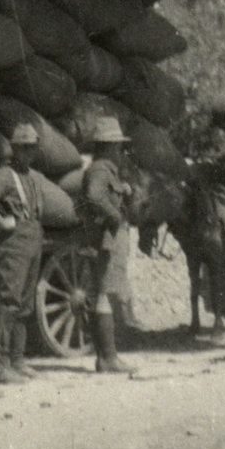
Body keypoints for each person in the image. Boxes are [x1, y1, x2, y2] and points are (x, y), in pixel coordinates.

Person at [0, 123, 47, 383]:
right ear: (15, 149)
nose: (28, 152)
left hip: (32, 240)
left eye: (32, 148)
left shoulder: (32, 176)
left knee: (25, 304)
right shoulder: (5, 175)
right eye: (23, 148)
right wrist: (1, 221)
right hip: (13, 244)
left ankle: (17, 360)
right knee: (9, 303)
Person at [78, 116, 135, 374]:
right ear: (110, 146)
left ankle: (104, 358)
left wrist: (123, 190)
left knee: (102, 294)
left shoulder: (104, 170)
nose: (121, 151)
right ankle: (109, 358)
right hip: (105, 242)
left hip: (102, 240)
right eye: (118, 146)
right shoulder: (101, 170)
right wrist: (114, 215)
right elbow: (94, 195)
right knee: (104, 295)